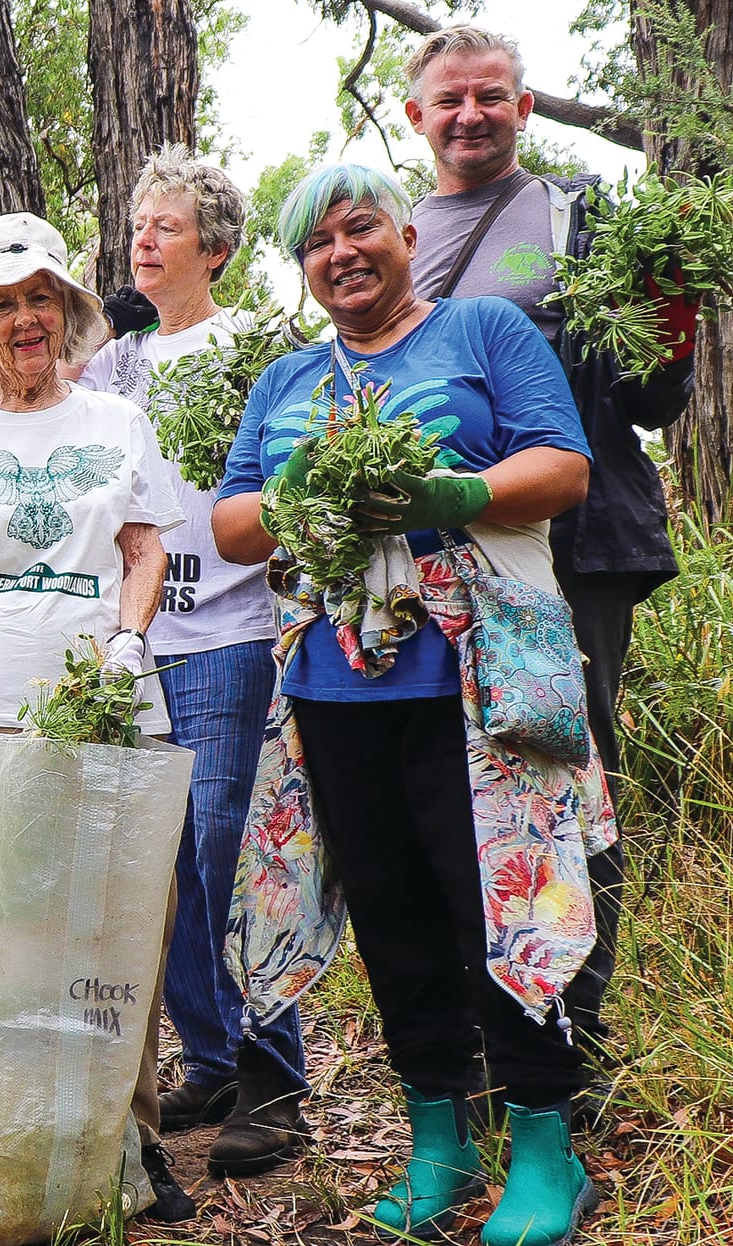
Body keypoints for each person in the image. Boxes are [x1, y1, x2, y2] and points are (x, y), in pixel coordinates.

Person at [215, 163, 604, 1246]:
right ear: (302, 268)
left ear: (404, 235)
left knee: (505, 907)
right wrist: (298, 494)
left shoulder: (481, 331)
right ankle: (441, 1139)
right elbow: (232, 523)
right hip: (333, 691)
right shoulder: (288, 377)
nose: (341, 253)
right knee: (392, 919)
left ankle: (546, 1149)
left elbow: (563, 466)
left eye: (360, 229)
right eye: (317, 243)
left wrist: (455, 493)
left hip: (478, 686)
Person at [401, 22, 698, 1085]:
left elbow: (653, 397)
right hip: (439, 554)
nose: (471, 114)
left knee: (569, 776)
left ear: (524, 109)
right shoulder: (391, 238)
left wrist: (673, 314)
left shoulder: (580, 214)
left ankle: (573, 1034)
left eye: (491, 95)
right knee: (447, 783)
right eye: (450, 99)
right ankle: (483, 1033)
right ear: (415, 118)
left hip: (573, 540)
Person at [0, 211, 188, 1217]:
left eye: (37, 298)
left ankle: (128, 1144)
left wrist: (128, 640)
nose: (22, 319)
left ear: (66, 309)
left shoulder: (117, 423)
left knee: (119, 920)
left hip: (106, 702)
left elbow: (143, 547)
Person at [77, 147, 310, 1180]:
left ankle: (275, 1076)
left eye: (166, 226)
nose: (143, 240)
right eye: (138, 224)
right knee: (157, 865)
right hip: (134, 642)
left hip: (228, 631)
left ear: (214, 250)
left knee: (225, 853)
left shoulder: (255, 346)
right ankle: (212, 1059)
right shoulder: (116, 360)